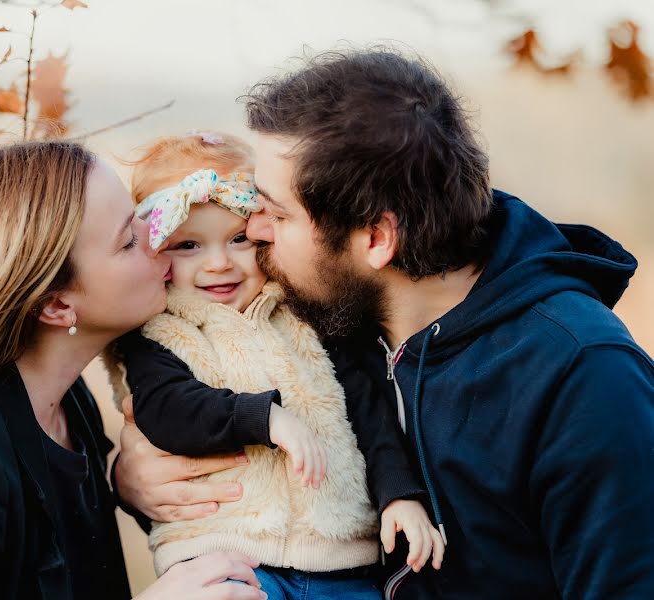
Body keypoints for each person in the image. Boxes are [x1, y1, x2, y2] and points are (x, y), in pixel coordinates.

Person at [114, 49, 654, 599]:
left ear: (376, 239)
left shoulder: (582, 376)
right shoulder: (326, 312)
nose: (252, 229)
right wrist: (133, 483)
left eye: (277, 214)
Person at [0, 141, 269, 600]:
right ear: (56, 305)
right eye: (128, 239)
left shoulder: (68, 404)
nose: (159, 234)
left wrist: (125, 488)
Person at [106, 132, 443, 600]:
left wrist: (400, 494)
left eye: (238, 239)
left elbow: (368, 410)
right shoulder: (159, 332)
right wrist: (265, 418)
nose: (219, 263)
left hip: (340, 561)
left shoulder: (305, 315)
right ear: (155, 253)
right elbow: (167, 410)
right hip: (222, 559)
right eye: (189, 246)